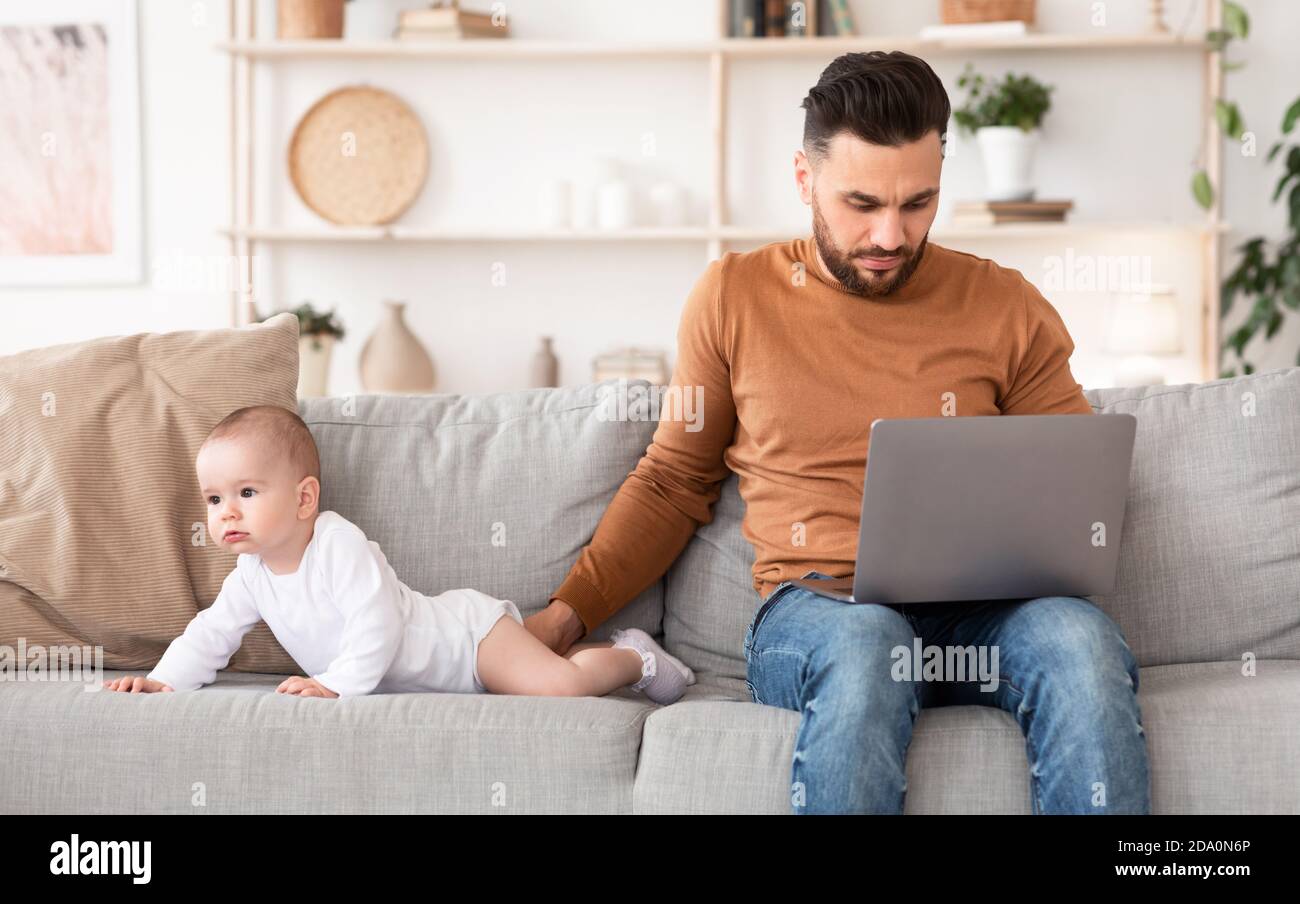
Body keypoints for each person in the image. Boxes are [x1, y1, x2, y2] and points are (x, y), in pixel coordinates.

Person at [526, 50, 1150, 814]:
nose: (891, 234)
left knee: (1079, 641)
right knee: (869, 641)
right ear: (804, 180)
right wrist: (564, 615)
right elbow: (673, 482)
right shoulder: (734, 297)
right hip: (818, 617)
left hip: (981, 618)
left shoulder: (1004, 304)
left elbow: (1071, 482)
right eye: (861, 203)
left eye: (918, 203)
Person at [104, 405, 695, 703]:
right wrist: (164, 683)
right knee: (536, 662)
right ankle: (569, 646)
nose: (225, 511)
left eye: (246, 493)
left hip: (467, 640)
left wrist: (337, 685)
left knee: (559, 687)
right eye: (213, 498)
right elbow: (212, 634)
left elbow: (377, 622)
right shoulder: (251, 575)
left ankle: (631, 658)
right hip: (449, 660)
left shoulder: (337, 543)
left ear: (305, 498)